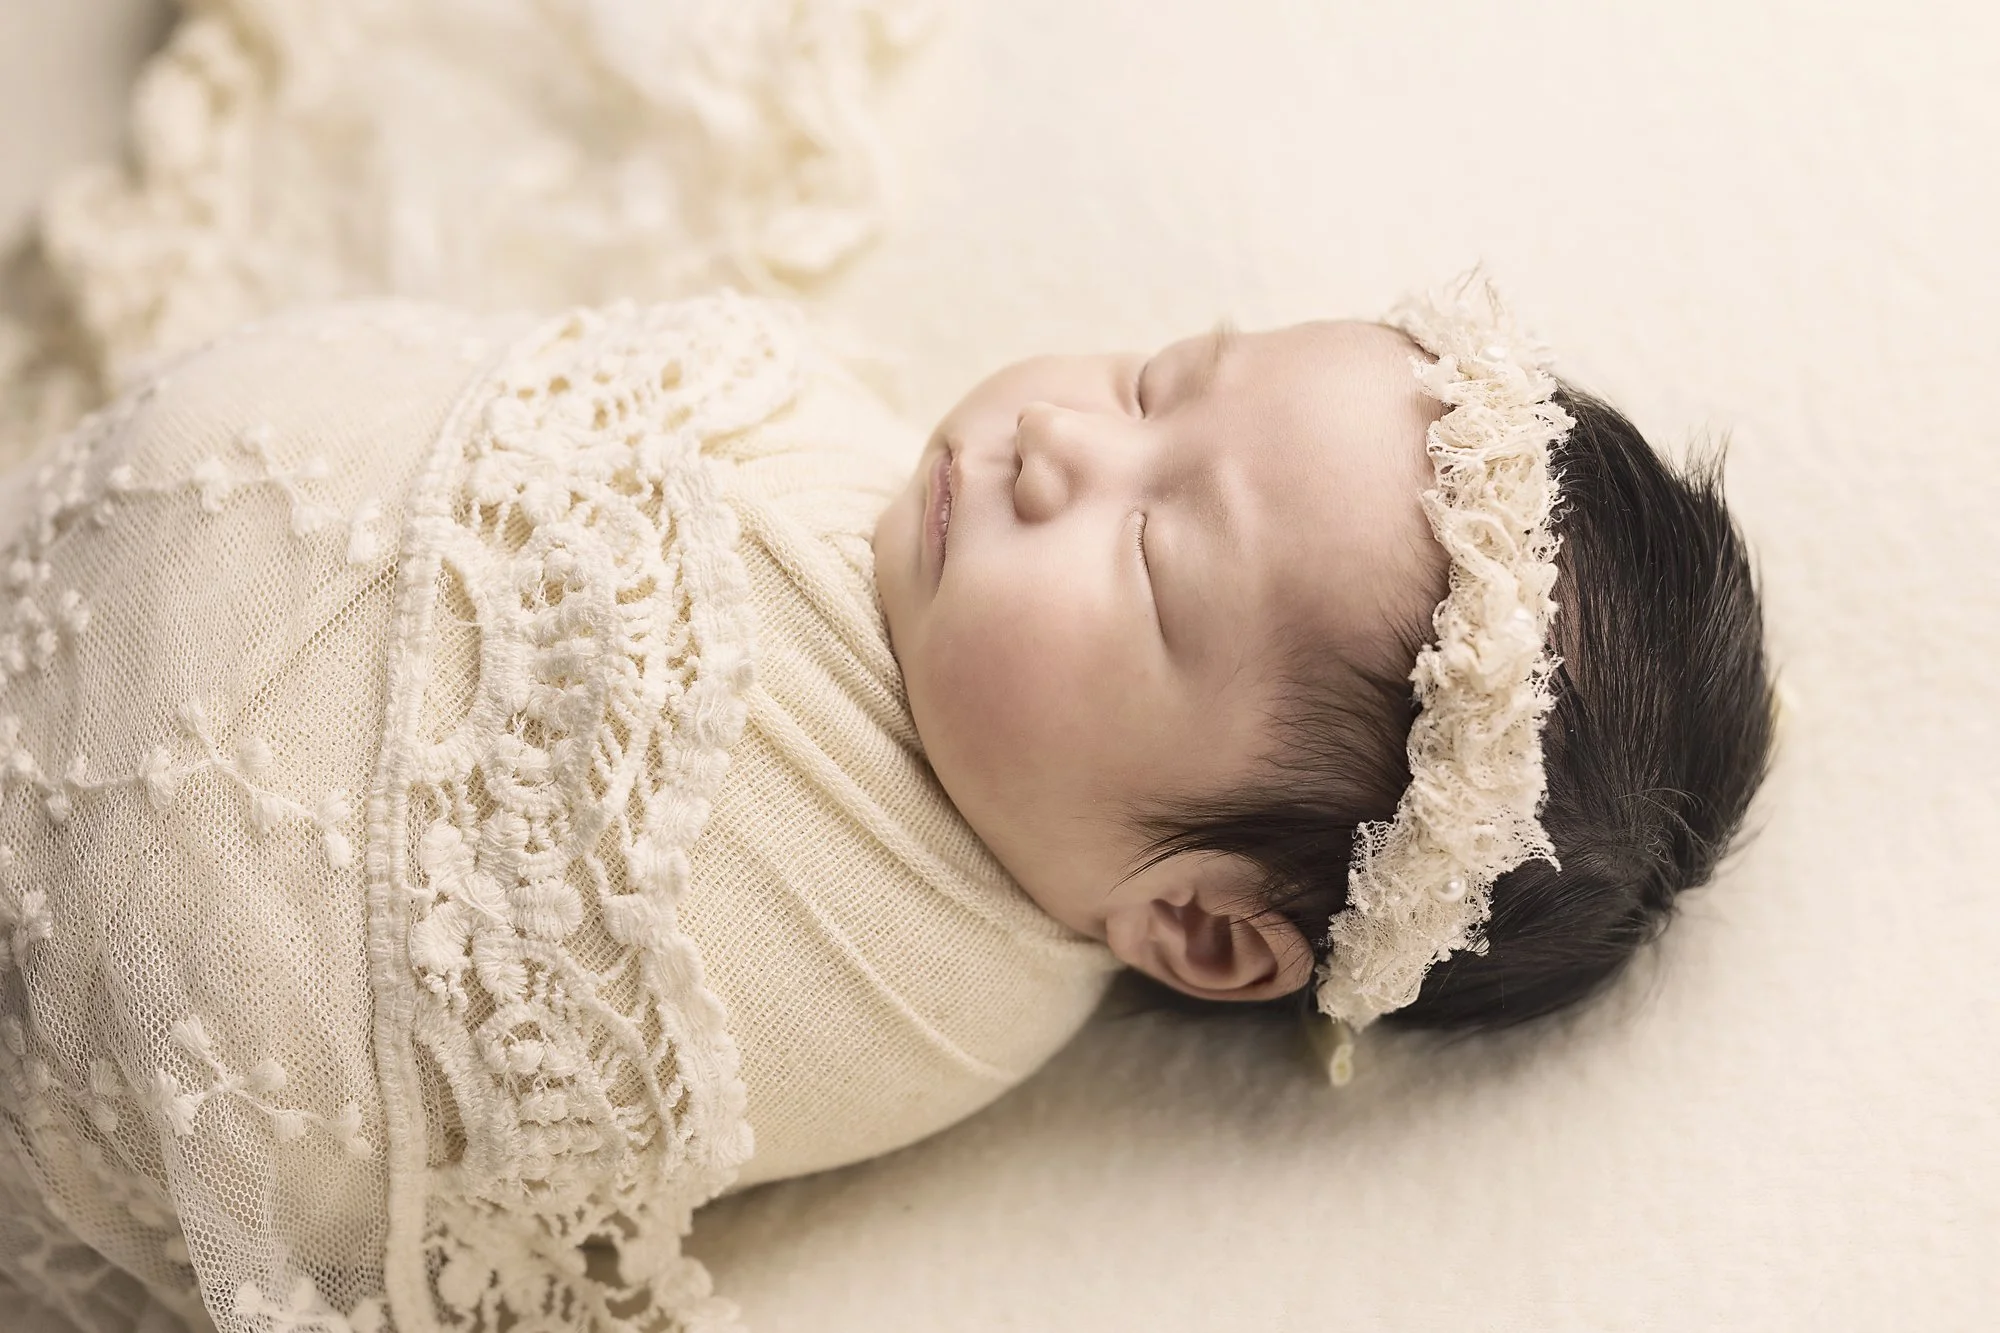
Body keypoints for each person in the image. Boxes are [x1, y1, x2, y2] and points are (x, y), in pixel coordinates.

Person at [0, 275, 1770, 1333]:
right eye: (1160, 382)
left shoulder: (918, 984)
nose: (1064, 442)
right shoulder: (848, 459)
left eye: (1150, 561)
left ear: (1208, 927)